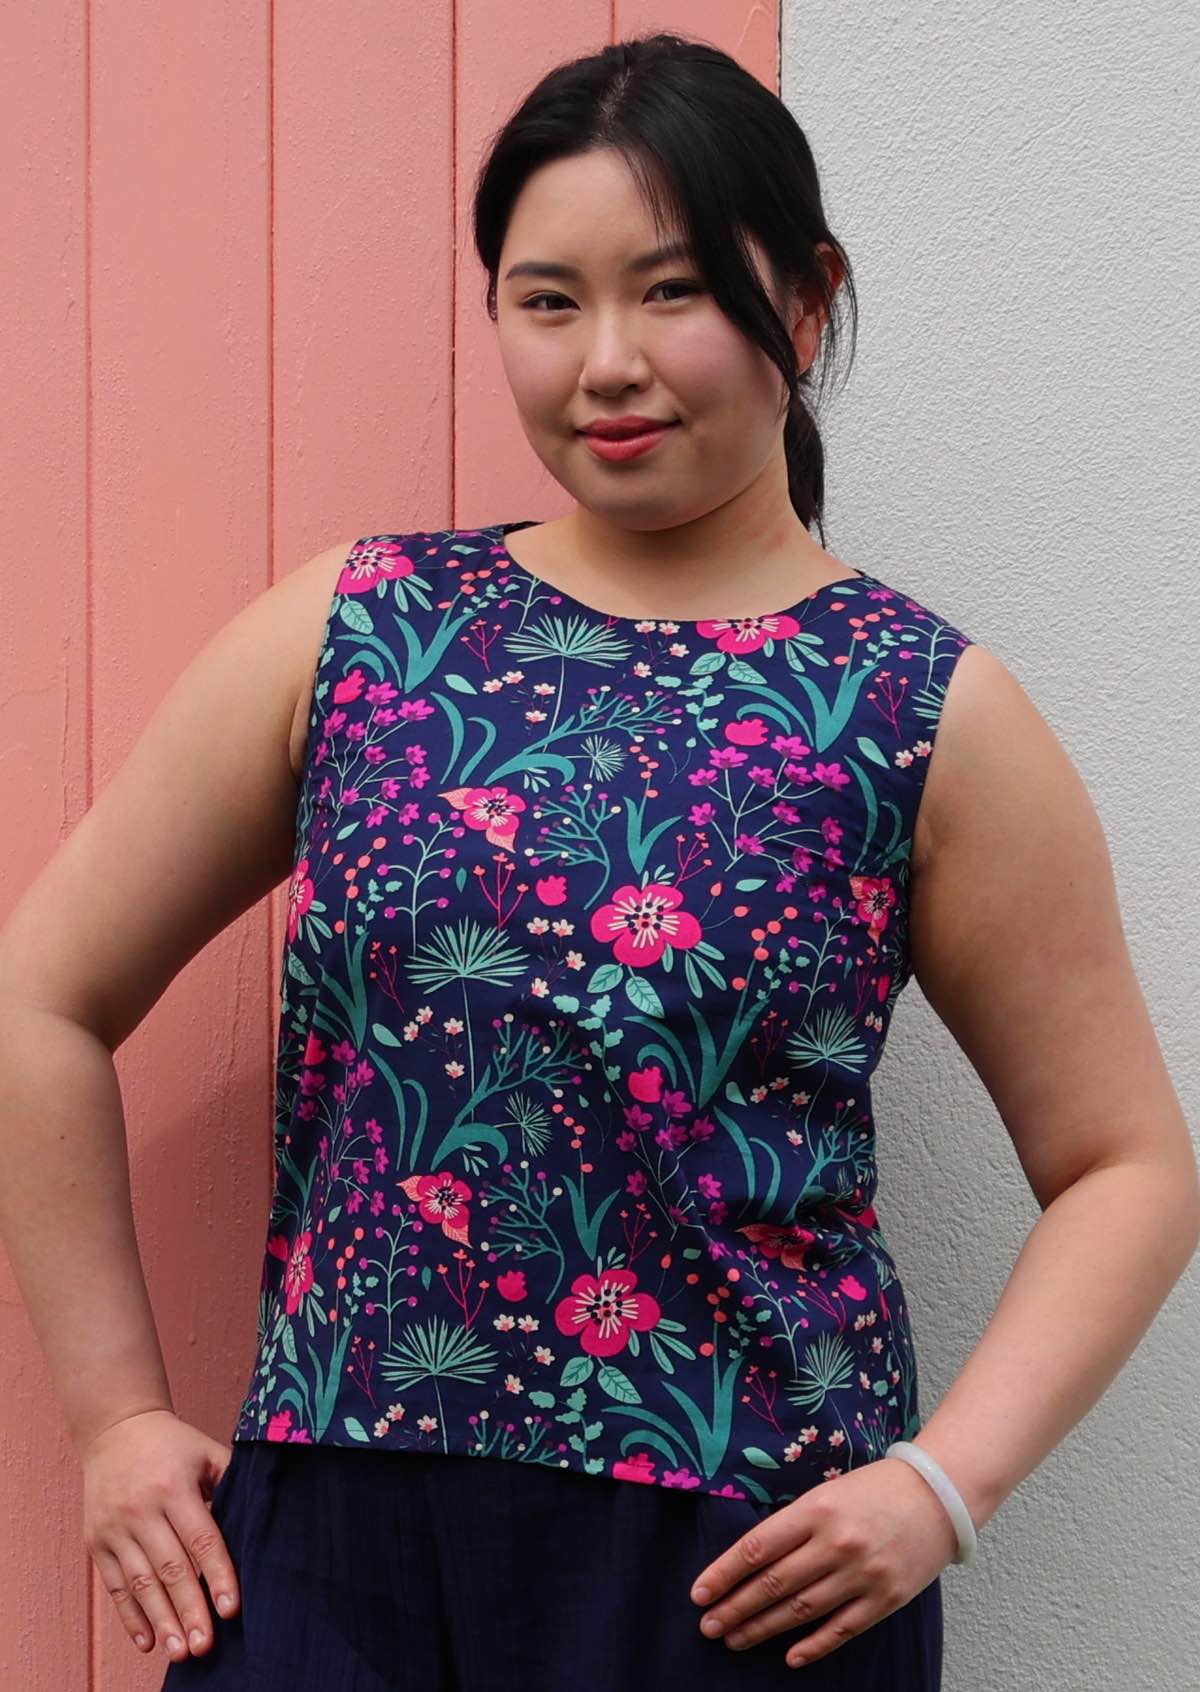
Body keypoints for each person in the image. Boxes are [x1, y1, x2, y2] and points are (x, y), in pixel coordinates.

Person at [1, 29, 1197, 1692]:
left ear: (807, 300)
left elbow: (1128, 1166)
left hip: (742, 1574)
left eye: (674, 291)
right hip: (342, 1547)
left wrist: (944, 1487)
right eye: (546, 300)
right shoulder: (362, 632)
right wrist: (120, 1417)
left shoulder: (924, 712)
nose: (607, 362)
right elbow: (38, 1002)